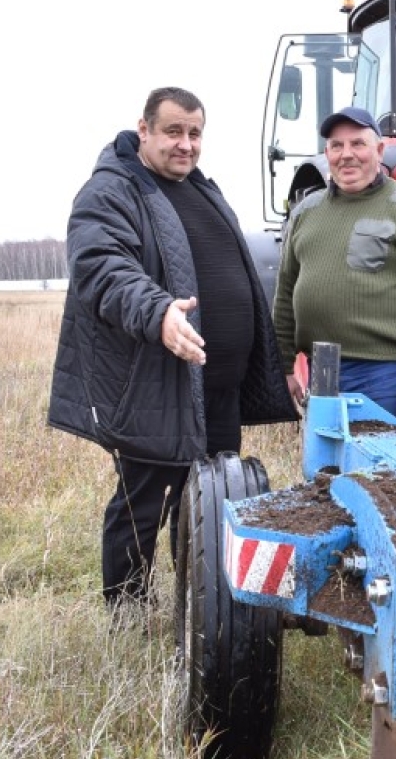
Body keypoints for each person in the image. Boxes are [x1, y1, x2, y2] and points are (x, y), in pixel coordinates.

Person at [48, 86, 297, 610]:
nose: (185, 144)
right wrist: (158, 312)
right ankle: (128, 612)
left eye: (194, 133)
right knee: (144, 503)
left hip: (219, 389)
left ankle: (200, 607)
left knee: (212, 500)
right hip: (156, 386)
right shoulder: (110, 193)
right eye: (173, 132)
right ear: (144, 130)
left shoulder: (204, 190)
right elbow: (103, 268)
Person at [273, 106, 396, 424]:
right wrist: (284, 367)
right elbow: (285, 295)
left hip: (384, 375)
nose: (347, 155)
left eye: (358, 144)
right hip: (322, 369)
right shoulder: (306, 212)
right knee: (326, 468)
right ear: (326, 152)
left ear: (379, 150)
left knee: (380, 472)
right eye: (336, 146)